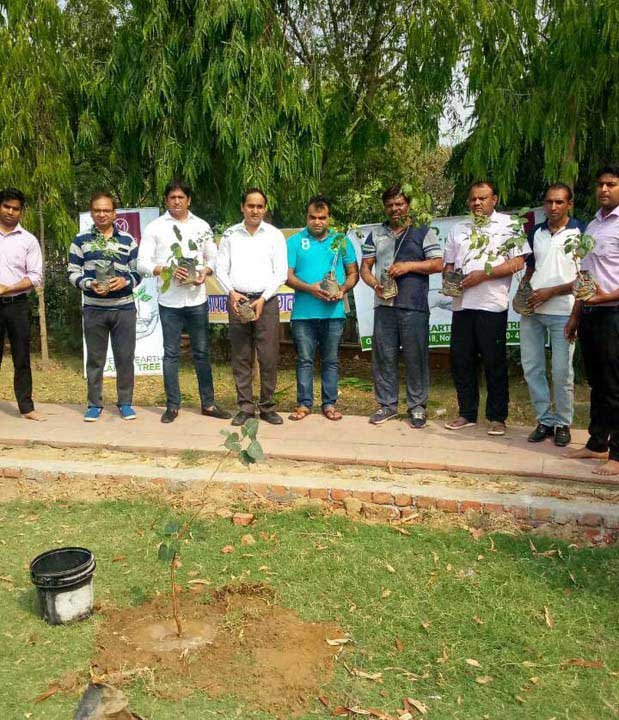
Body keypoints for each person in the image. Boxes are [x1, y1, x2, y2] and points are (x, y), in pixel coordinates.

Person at [138, 180, 230, 423]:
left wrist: (205, 272)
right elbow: (142, 263)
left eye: (181, 197)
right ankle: (172, 406)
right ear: (166, 200)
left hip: (196, 300)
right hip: (169, 302)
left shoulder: (202, 226)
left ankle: (208, 404)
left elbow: (213, 258)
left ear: (189, 200)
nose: (177, 201)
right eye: (172, 197)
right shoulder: (155, 227)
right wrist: (167, 270)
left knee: (202, 352)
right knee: (171, 354)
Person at [444, 181, 530, 436]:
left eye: (482, 198)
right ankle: (466, 413)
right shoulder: (458, 228)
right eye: (473, 199)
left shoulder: (509, 225)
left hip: (492, 305)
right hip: (462, 305)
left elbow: (518, 262)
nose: (477, 203)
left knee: (494, 362)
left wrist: (484, 275)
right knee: (462, 360)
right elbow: (448, 264)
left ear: (495, 199)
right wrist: (449, 278)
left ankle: (497, 417)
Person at [361, 185, 442, 428]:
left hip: (413, 305)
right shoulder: (376, 234)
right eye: (390, 205)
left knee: (415, 356)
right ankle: (387, 405)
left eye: (399, 204)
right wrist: (375, 284)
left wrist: (408, 266)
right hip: (384, 305)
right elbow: (365, 268)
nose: (395, 209)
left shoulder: (422, 231)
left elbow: (437, 264)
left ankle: (417, 406)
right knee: (384, 356)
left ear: (408, 205)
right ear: (384, 208)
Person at [215, 188, 287, 426]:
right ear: (242, 207)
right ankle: (245, 407)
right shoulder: (230, 235)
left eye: (259, 206)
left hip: (266, 302)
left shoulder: (274, 235)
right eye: (250, 206)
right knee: (241, 355)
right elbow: (220, 269)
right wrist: (232, 293)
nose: (255, 210)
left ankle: (267, 407)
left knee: (268, 356)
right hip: (238, 301)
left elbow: (280, 273)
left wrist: (264, 298)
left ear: (265, 209)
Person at [519, 184, 584, 447]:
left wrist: (552, 292)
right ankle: (544, 420)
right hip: (533, 312)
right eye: (549, 202)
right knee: (532, 368)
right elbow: (531, 268)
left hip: (563, 312)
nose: (553, 207)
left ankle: (562, 423)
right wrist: (523, 291)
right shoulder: (536, 232)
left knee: (561, 372)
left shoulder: (580, 232)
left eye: (559, 202)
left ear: (569, 204)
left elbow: (584, 279)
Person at [565, 165, 619, 476]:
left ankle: (617, 454)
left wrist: (605, 297)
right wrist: (575, 314)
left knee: (615, 385)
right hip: (590, 313)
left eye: (611, 184)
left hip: (614, 313)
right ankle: (597, 443)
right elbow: (583, 275)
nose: (604, 189)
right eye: (600, 184)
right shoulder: (593, 225)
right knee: (597, 383)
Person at [68, 192, 141, 421]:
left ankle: (125, 402)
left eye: (106, 210)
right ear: (91, 213)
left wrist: (125, 281)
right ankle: (94, 404)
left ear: (114, 213)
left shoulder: (128, 240)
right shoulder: (80, 240)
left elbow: (138, 271)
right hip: (94, 308)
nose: (102, 214)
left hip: (124, 308)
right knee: (95, 360)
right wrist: (88, 283)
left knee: (125, 358)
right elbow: (72, 272)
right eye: (97, 210)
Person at [286, 196, 358, 421]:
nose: (317, 222)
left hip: (333, 313)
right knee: (304, 360)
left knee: (331, 360)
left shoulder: (341, 241)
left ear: (329, 218)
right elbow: (287, 276)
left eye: (322, 217)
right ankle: (304, 404)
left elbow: (353, 273)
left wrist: (343, 289)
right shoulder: (295, 242)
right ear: (306, 217)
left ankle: (329, 404)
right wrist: (310, 289)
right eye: (313, 217)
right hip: (303, 314)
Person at [0, 188, 43, 421]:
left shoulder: (28, 240)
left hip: (17, 305)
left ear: (21, 211)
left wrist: (7, 288)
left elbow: (35, 276)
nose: (10, 211)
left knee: (21, 357)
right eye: (6, 206)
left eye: (15, 208)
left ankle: (26, 408)